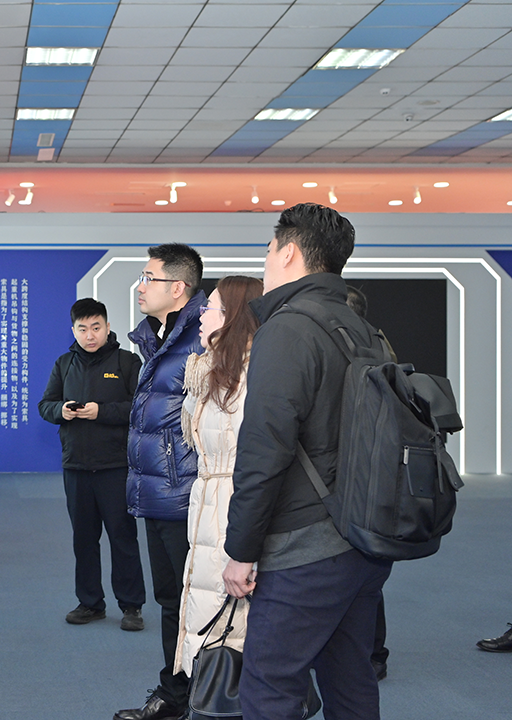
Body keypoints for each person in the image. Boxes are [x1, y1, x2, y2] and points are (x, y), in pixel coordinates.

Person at [223, 203, 393, 720]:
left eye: (268, 250)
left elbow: (264, 448)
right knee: (349, 679)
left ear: (289, 252)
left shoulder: (289, 328)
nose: (266, 261)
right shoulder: (363, 328)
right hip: (363, 536)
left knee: (269, 685)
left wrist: (241, 550)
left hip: (306, 546)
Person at [115, 244, 206, 720]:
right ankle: (176, 694)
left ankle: (196, 697)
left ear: (178, 288)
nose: (140, 286)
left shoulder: (204, 336)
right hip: (157, 489)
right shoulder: (159, 337)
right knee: (171, 599)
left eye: (149, 277)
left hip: (185, 492)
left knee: (194, 602)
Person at [173, 276, 263, 682]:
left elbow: (256, 463)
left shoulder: (252, 377)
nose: (201, 315)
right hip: (208, 504)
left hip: (232, 509)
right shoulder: (212, 370)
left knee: (231, 630)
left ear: (232, 316)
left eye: (209, 307)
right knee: (208, 617)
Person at [39, 298, 145, 631]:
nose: (90, 335)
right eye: (83, 329)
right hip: (76, 467)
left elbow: (140, 408)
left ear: (107, 327)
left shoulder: (127, 362)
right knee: (83, 540)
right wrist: (61, 411)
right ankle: (90, 603)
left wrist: (102, 411)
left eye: (96, 327)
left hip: (115, 466)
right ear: (73, 330)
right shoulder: (64, 364)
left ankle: (131, 606)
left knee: (122, 537)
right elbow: (45, 405)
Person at [345, 284, 391, 681]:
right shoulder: (381, 348)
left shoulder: (366, 355)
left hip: (357, 480)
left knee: (363, 575)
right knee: (367, 576)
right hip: (369, 480)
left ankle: (373, 653)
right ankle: (372, 654)